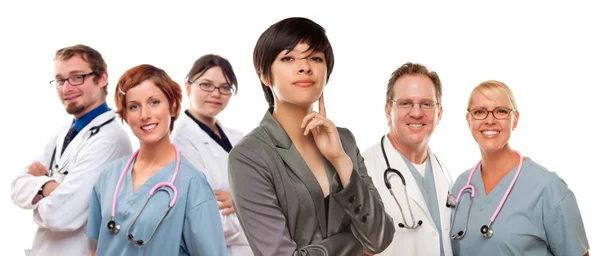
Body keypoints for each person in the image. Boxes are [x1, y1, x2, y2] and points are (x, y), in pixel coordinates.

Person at [227, 17, 395, 256]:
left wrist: (340, 160)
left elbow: (380, 237)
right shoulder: (248, 156)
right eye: (288, 58)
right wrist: (356, 245)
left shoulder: (344, 140)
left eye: (315, 58)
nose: (305, 67)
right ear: (264, 75)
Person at [85, 64, 228, 256]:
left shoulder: (192, 184)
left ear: (173, 106)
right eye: (134, 106)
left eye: (154, 102)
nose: (145, 115)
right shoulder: (109, 176)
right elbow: (99, 247)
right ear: (125, 116)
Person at [10, 44, 132, 256]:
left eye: (77, 77)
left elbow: (61, 215)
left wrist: (38, 190)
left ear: (102, 79)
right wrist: (52, 187)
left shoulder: (109, 141)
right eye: (60, 80)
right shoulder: (65, 132)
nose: (66, 88)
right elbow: (16, 187)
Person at [450, 80, 590, 255]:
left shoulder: (548, 188)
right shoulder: (461, 187)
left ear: (515, 120)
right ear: (468, 120)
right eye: (479, 112)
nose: (490, 120)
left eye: (501, 111)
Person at [362, 62, 454, 256]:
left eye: (427, 104)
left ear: (439, 114)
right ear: (388, 112)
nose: (416, 113)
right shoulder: (363, 170)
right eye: (405, 103)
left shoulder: (445, 173)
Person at [171, 54, 252, 255]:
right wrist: (253, 207)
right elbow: (208, 220)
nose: (216, 93)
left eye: (225, 87)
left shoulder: (239, 138)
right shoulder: (178, 143)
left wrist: (240, 202)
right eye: (206, 84)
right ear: (188, 87)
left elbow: (271, 192)